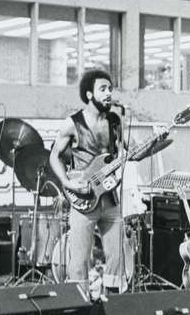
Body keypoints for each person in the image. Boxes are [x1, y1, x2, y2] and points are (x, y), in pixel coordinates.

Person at [49, 69, 130, 294]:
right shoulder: (72, 124)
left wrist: (158, 141)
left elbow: (135, 152)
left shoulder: (115, 121)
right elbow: (54, 156)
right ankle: (79, 311)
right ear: (89, 94)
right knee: (79, 261)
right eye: (102, 89)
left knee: (118, 256)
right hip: (84, 199)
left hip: (111, 199)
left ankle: (111, 308)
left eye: (110, 89)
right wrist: (67, 182)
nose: (108, 94)